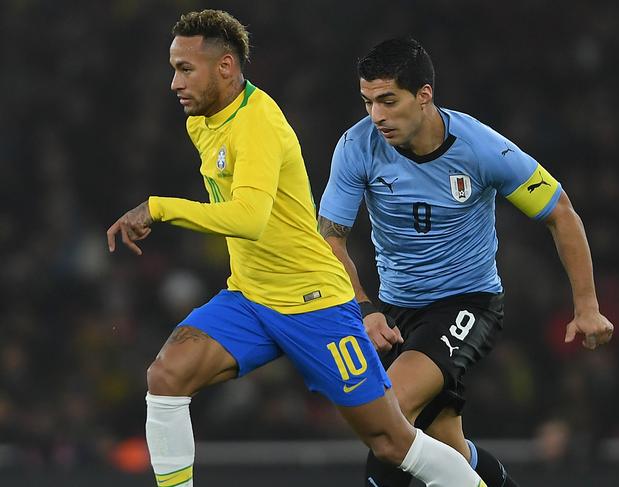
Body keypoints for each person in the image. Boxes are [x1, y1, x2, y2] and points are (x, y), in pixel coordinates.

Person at [107, 11, 487, 487]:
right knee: (166, 376)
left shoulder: (258, 123)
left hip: (315, 304)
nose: (173, 83)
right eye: (173, 68)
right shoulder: (202, 122)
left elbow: (249, 218)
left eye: (185, 69)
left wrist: (160, 208)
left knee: (392, 440)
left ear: (225, 67)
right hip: (250, 298)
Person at [318, 38, 615, 487]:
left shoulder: (479, 147)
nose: (376, 116)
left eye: (387, 100)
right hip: (396, 311)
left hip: (467, 303)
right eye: (367, 102)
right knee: (446, 450)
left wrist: (587, 304)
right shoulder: (357, 146)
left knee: (387, 412)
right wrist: (365, 308)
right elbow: (330, 239)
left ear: (423, 95)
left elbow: (560, 213)